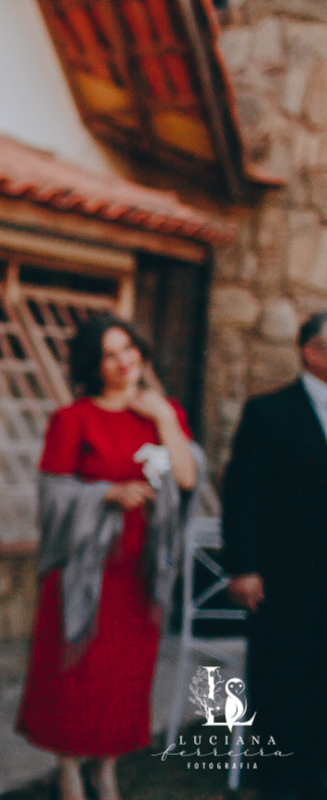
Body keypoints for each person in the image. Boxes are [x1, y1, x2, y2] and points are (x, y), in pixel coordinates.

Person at [16, 314, 200, 800]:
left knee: (123, 679)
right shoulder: (72, 419)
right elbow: (53, 497)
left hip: (139, 576)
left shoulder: (166, 413)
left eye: (129, 349)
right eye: (109, 355)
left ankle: (107, 767)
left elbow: (184, 478)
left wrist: (161, 417)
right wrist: (106, 493)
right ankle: (70, 767)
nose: (123, 362)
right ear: (94, 366)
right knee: (74, 675)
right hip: (83, 574)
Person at [222, 310, 327, 800]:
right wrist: (242, 566)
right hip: (285, 577)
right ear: (312, 351)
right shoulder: (269, 412)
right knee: (282, 681)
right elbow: (242, 493)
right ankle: (282, 784)